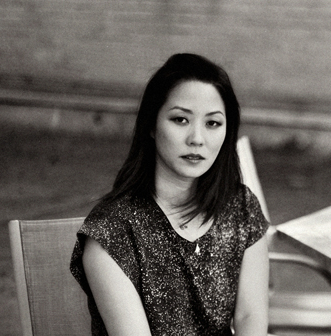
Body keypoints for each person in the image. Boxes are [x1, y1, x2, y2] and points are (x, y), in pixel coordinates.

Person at [70, 53, 270, 336]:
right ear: (151, 125)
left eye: (212, 123)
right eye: (180, 120)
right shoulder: (112, 233)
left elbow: (251, 318)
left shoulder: (240, 207)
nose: (197, 139)